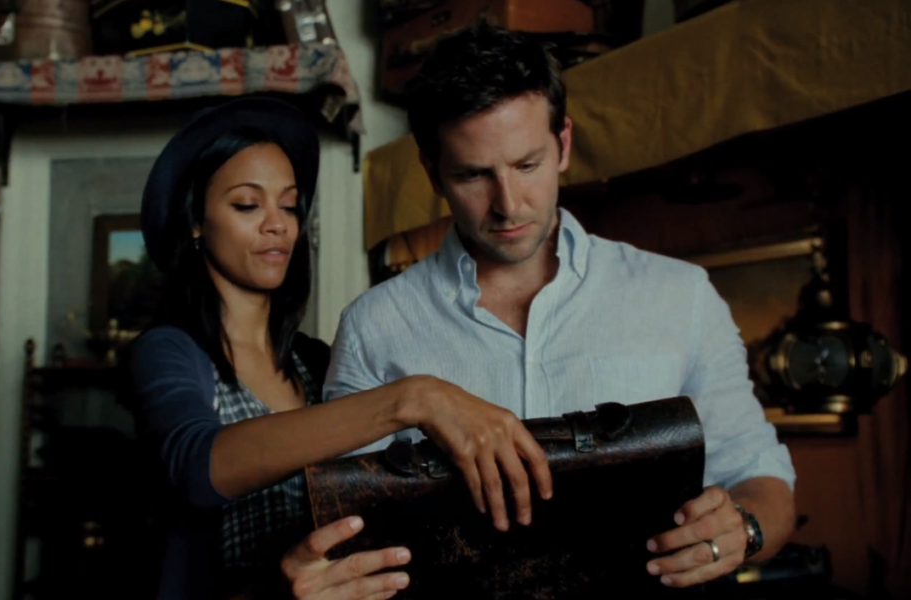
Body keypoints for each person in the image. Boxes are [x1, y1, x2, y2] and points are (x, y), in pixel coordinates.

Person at [292, 23, 798, 593]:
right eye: (474, 175)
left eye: (526, 165)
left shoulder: (681, 295)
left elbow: (761, 478)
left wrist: (743, 529)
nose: (508, 205)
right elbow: (350, 535)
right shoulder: (373, 327)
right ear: (432, 172)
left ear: (563, 144)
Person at [126, 96, 552, 600]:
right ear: (196, 221)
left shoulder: (314, 362)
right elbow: (197, 465)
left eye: (289, 205)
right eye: (247, 205)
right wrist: (414, 398)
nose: (277, 224)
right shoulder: (169, 350)